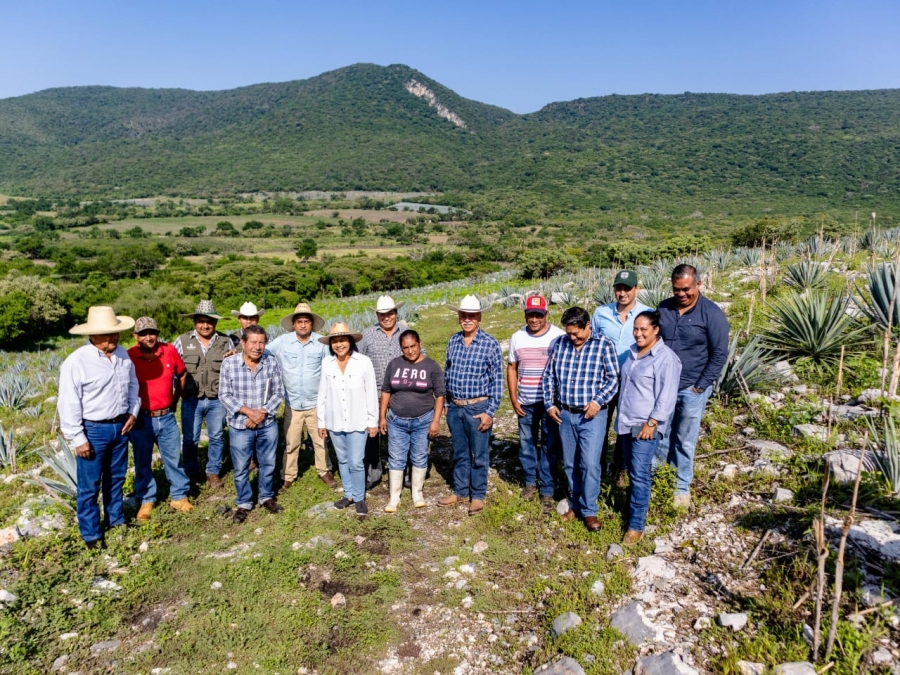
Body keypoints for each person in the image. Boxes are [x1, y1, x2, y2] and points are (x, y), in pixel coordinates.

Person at [58, 306, 140, 549]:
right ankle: (92, 534)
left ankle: (116, 520)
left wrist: (133, 413)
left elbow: (133, 386)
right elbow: (68, 402)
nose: (113, 338)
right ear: (92, 336)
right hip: (92, 430)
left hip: (120, 427)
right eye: (107, 335)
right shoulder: (76, 362)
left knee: (116, 479)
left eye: (114, 333)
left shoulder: (123, 355)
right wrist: (78, 438)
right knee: (89, 485)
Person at [657, 264, 730, 508]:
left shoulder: (712, 314)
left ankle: (680, 486)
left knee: (685, 439)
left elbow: (719, 354)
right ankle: (658, 479)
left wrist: (700, 386)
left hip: (691, 388)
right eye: (676, 289)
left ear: (698, 284)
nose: (681, 294)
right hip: (664, 388)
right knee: (661, 434)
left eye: (686, 289)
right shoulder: (663, 308)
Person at [542, 307, 619, 532]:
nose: (573, 338)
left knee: (590, 464)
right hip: (565, 414)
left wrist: (598, 401)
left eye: (577, 333)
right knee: (570, 463)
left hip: (592, 415)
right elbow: (549, 376)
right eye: (569, 334)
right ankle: (575, 503)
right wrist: (549, 404)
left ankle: (589, 509)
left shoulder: (604, 345)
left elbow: (613, 378)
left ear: (587, 325)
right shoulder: (560, 344)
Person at [616, 311, 681, 544]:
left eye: (644, 329)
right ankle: (632, 510)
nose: (638, 333)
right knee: (633, 472)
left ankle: (636, 525)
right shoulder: (632, 353)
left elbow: (667, 395)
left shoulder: (666, 358)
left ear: (656, 330)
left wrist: (652, 422)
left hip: (645, 426)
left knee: (639, 473)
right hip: (625, 422)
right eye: (636, 329)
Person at [439, 295, 503, 516]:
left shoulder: (490, 343)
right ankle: (460, 490)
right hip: (456, 407)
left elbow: (497, 381)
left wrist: (490, 412)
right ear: (458, 317)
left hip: (478, 408)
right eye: (463, 316)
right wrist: (447, 402)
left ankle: (477, 495)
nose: (467, 320)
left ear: (479, 317)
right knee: (459, 451)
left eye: (471, 316)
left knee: (480, 454)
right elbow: (447, 373)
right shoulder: (453, 341)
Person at [126, 316, 193, 521]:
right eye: (144, 333)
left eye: (152, 332)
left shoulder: (169, 350)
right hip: (141, 420)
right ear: (135, 336)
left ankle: (179, 496)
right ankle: (147, 499)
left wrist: (175, 399)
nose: (149, 337)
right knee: (142, 461)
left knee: (173, 458)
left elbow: (182, 374)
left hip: (166, 416)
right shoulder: (129, 356)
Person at [218, 324, 285, 523]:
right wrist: (249, 412)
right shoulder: (229, 364)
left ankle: (266, 496)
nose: (258, 346)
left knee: (268, 462)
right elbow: (224, 395)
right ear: (243, 343)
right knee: (240, 466)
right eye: (253, 342)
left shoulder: (271, 362)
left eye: (262, 342)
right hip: (240, 424)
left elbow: (279, 392)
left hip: (267, 423)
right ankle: (244, 501)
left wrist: (261, 414)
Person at [267, 302, 337, 491]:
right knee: (291, 442)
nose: (303, 325)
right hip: (293, 403)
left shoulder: (321, 342)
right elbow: (263, 351)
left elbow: (333, 361)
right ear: (294, 324)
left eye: (307, 321)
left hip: (316, 403)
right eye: (300, 322)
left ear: (312, 324)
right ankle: (288, 475)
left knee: (320, 440)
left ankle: (324, 471)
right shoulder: (283, 341)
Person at [591, 270, 652, 482]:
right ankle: (596, 468)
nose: (622, 293)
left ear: (637, 289)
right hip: (603, 381)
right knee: (600, 426)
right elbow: (592, 342)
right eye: (619, 288)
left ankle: (619, 469)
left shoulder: (648, 314)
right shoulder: (601, 313)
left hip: (632, 382)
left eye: (627, 288)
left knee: (625, 427)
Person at [507, 295, 565, 515]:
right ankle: (530, 481)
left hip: (550, 402)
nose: (534, 319)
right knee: (526, 442)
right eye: (530, 314)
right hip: (526, 401)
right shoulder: (517, 337)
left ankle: (548, 488)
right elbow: (512, 367)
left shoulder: (558, 336)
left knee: (550, 444)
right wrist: (513, 397)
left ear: (546, 315)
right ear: (525, 314)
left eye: (538, 315)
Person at [173, 300, 239, 488]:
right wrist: (176, 392)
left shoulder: (225, 341)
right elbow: (172, 368)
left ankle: (213, 471)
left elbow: (233, 369)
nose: (205, 325)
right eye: (201, 321)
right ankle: (191, 471)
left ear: (215, 323)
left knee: (217, 436)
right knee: (190, 438)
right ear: (194, 322)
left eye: (209, 321)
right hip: (190, 399)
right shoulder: (182, 341)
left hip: (217, 399)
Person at [378, 330, 445, 512]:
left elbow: (440, 395)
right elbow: (386, 391)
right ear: (401, 348)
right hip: (396, 420)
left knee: (419, 456)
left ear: (419, 343)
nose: (410, 351)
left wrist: (435, 421)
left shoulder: (431, 366)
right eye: (405, 348)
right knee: (396, 458)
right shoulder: (394, 364)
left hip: (423, 420)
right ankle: (394, 497)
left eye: (413, 346)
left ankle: (417, 493)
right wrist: (382, 416)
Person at [317, 323, 379, 515]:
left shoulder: (363, 361)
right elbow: (322, 394)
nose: (339, 344)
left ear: (350, 341)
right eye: (335, 341)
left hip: (357, 420)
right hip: (335, 421)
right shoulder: (327, 363)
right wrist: (321, 421)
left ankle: (359, 497)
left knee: (356, 461)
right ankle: (349, 494)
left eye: (342, 340)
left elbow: (371, 392)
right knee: (342, 460)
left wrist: (372, 421)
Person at [358, 295, 412, 490]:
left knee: (401, 432)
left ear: (396, 313)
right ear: (377, 315)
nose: (386, 317)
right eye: (382, 314)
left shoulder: (406, 332)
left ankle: (403, 472)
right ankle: (374, 473)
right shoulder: (367, 334)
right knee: (373, 434)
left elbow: (419, 356)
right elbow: (354, 356)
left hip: (401, 391)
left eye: (390, 313)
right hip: (374, 391)